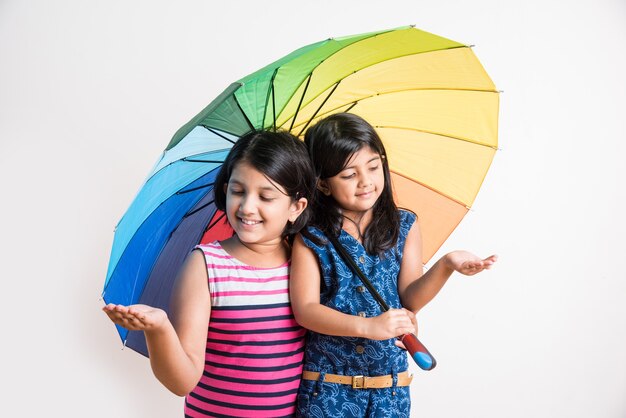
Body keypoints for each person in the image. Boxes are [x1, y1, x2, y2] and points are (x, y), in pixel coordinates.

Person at [290, 113, 497, 417]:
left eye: (373, 167)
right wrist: (368, 326)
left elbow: (410, 298)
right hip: (328, 389)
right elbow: (305, 309)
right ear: (322, 185)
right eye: (349, 175)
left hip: (390, 390)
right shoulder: (311, 237)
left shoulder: (404, 225)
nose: (366, 182)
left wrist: (446, 265)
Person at [103, 130, 316, 417]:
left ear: (296, 207)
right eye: (238, 191)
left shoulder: (309, 264)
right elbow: (182, 381)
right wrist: (160, 329)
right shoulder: (205, 265)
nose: (247, 206)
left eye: (266, 196)